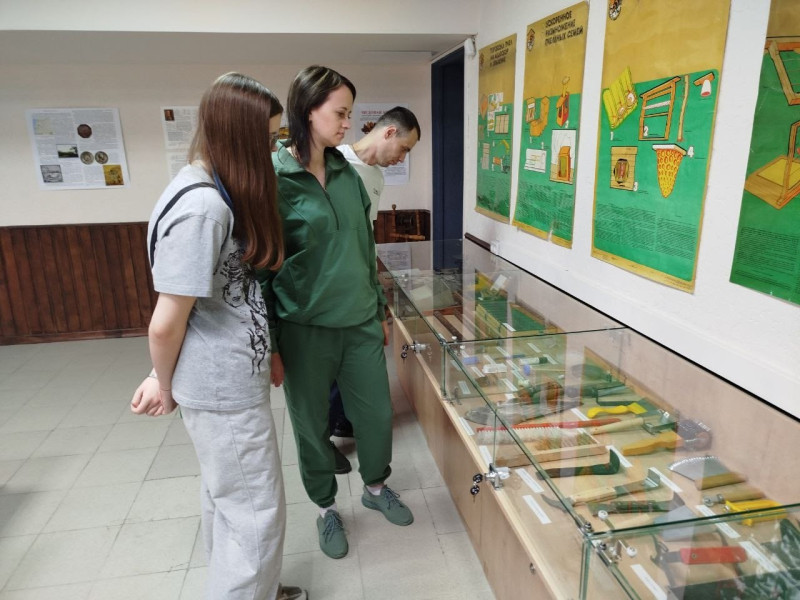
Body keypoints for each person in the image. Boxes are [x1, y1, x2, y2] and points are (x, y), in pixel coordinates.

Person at [129, 72, 305, 600]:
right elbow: (166, 320)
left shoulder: (202, 188)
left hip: (225, 377)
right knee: (255, 513)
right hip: (222, 388)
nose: (274, 150)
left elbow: (199, 305)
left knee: (229, 501)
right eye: (268, 139)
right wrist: (163, 382)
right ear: (239, 138)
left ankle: (250, 588)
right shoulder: (203, 208)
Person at [259, 65, 414, 561]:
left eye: (350, 113)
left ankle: (375, 487)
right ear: (308, 111)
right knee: (310, 426)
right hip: (304, 329)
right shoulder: (273, 179)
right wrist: (272, 345)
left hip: (360, 320)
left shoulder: (350, 176)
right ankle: (325, 508)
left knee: (376, 415)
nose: (349, 123)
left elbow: (365, 246)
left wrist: (381, 310)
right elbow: (261, 269)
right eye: (341, 113)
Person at [328, 106, 421, 465]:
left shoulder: (376, 177)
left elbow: (366, 235)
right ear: (389, 132)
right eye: (404, 148)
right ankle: (322, 440)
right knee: (328, 362)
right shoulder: (334, 162)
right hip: (328, 283)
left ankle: (343, 419)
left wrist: (374, 282)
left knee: (355, 357)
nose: (402, 158)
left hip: (358, 282)